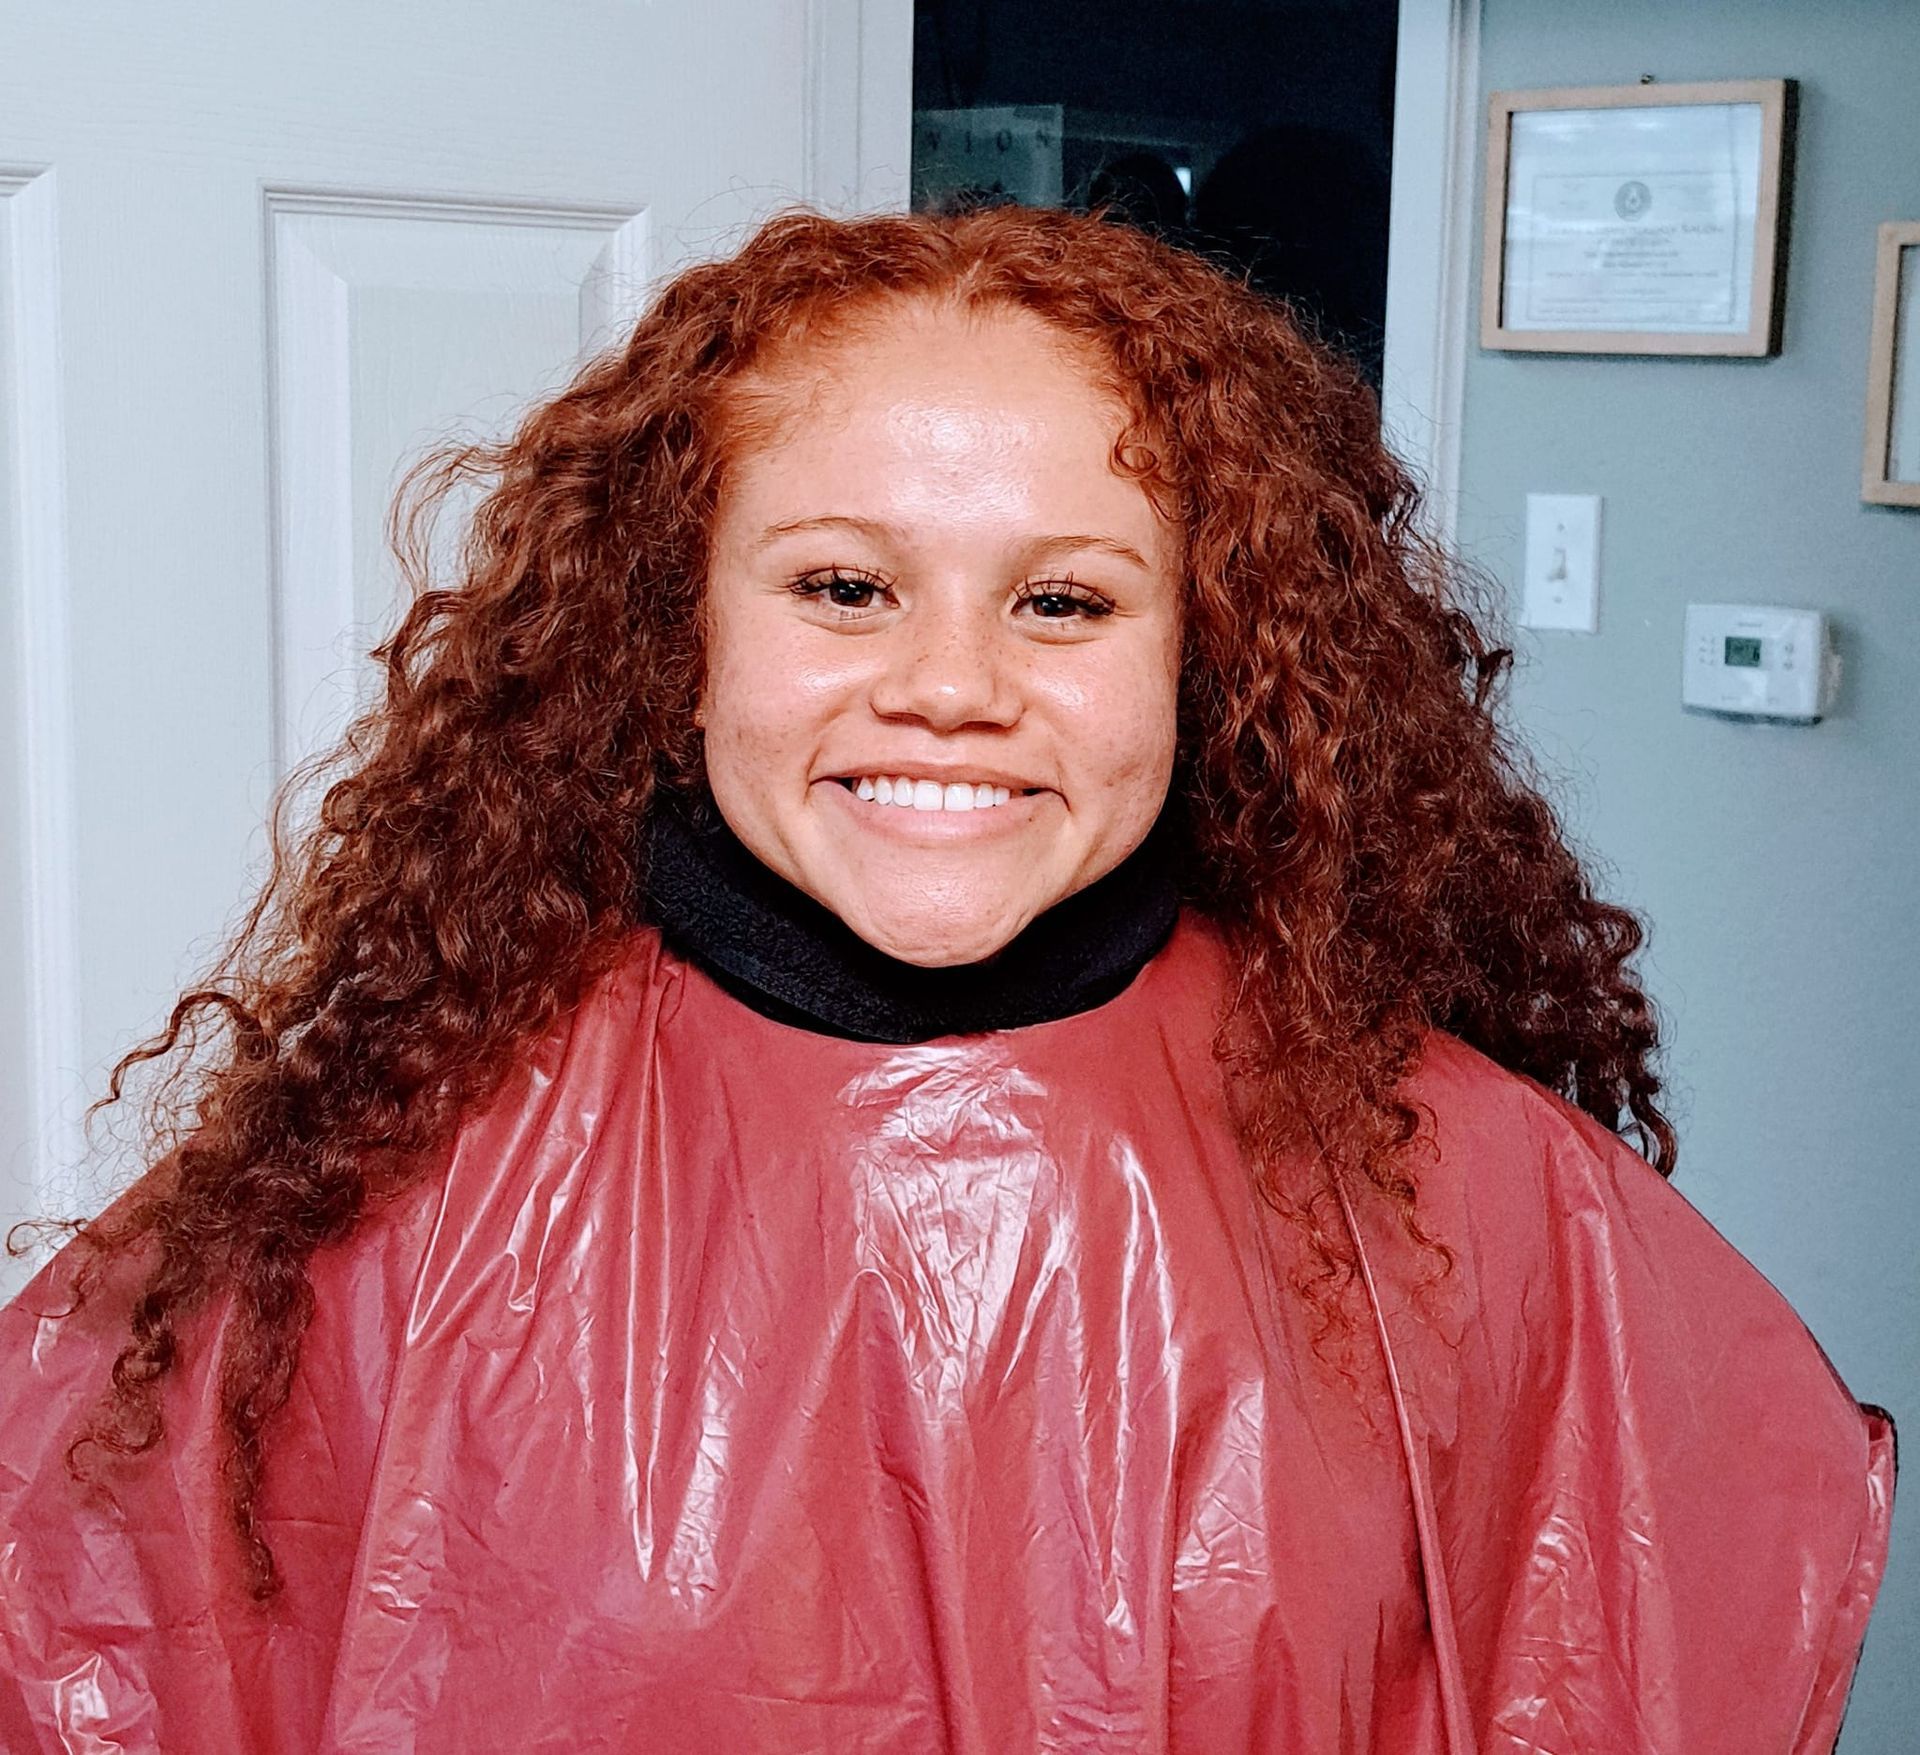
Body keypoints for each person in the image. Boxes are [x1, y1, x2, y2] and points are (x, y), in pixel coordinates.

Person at [0, 206, 1894, 1753]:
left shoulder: (1462, 1187)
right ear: (676, 631)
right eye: (842, 588)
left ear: (1207, 660)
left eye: (1063, 601)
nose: (952, 687)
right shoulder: (388, 1169)